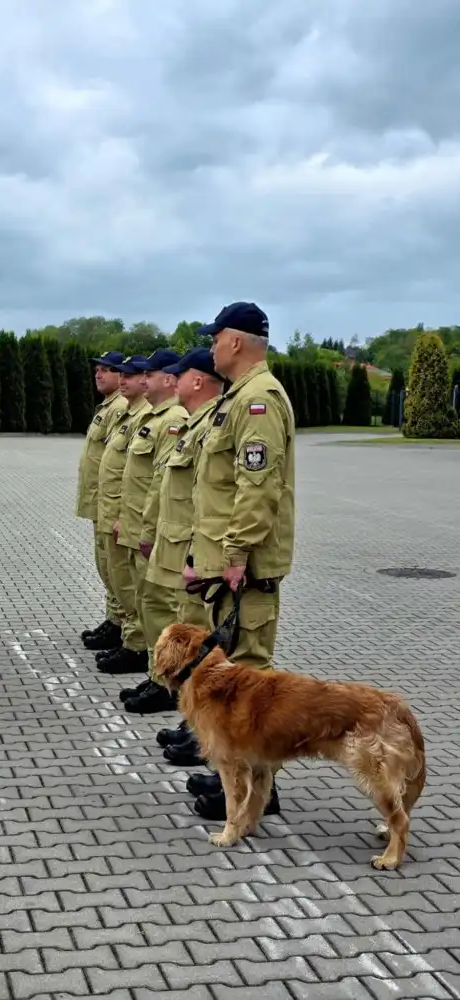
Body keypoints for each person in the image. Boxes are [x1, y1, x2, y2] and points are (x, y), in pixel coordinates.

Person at [184, 302, 295, 821]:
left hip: (245, 567)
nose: (209, 347)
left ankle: (258, 794)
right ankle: (239, 780)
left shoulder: (259, 401)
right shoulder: (238, 398)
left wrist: (235, 552)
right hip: (228, 564)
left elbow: (257, 485)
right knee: (234, 681)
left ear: (235, 341)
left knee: (251, 682)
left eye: (214, 338)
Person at [121, 347, 226, 715]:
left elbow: (210, 495)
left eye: (176, 374)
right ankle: (167, 682)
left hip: (189, 543)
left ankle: (178, 692)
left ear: (196, 380)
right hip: (170, 535)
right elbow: (160, 486)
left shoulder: (190, 421)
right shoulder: (194, 422)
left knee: (185, 623)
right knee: (160, 609)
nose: (170, 380)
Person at [110, 348, 187, 681]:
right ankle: (156, 672)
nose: (142, 379)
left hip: (155, 530)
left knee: (159, 605)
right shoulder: (154, 418)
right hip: (137, 525)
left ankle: (165, 678)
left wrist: (148, 529)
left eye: (149, 374)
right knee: (142, 599)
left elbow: (162, 482)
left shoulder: (173, 421)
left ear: (169, 379)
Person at [94, 356, 151, 673]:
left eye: (133, 374)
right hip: (111, 510)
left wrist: (123, 516)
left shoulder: (147, 417)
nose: (127, 380)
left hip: (127, 516)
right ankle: (124, 632)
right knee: (115, 576)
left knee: (132, 585)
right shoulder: (125, 413)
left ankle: (136, 644)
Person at [76, 351, 127, 652]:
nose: (98, 374)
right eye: (97, 369)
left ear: (122, 375)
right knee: (106, 565)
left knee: (114, 567)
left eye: (106, 370)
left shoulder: (120, 407)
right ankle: (114, 618)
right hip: (99, 502)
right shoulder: (108, 406)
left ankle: (121, 624)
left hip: (110, 504)